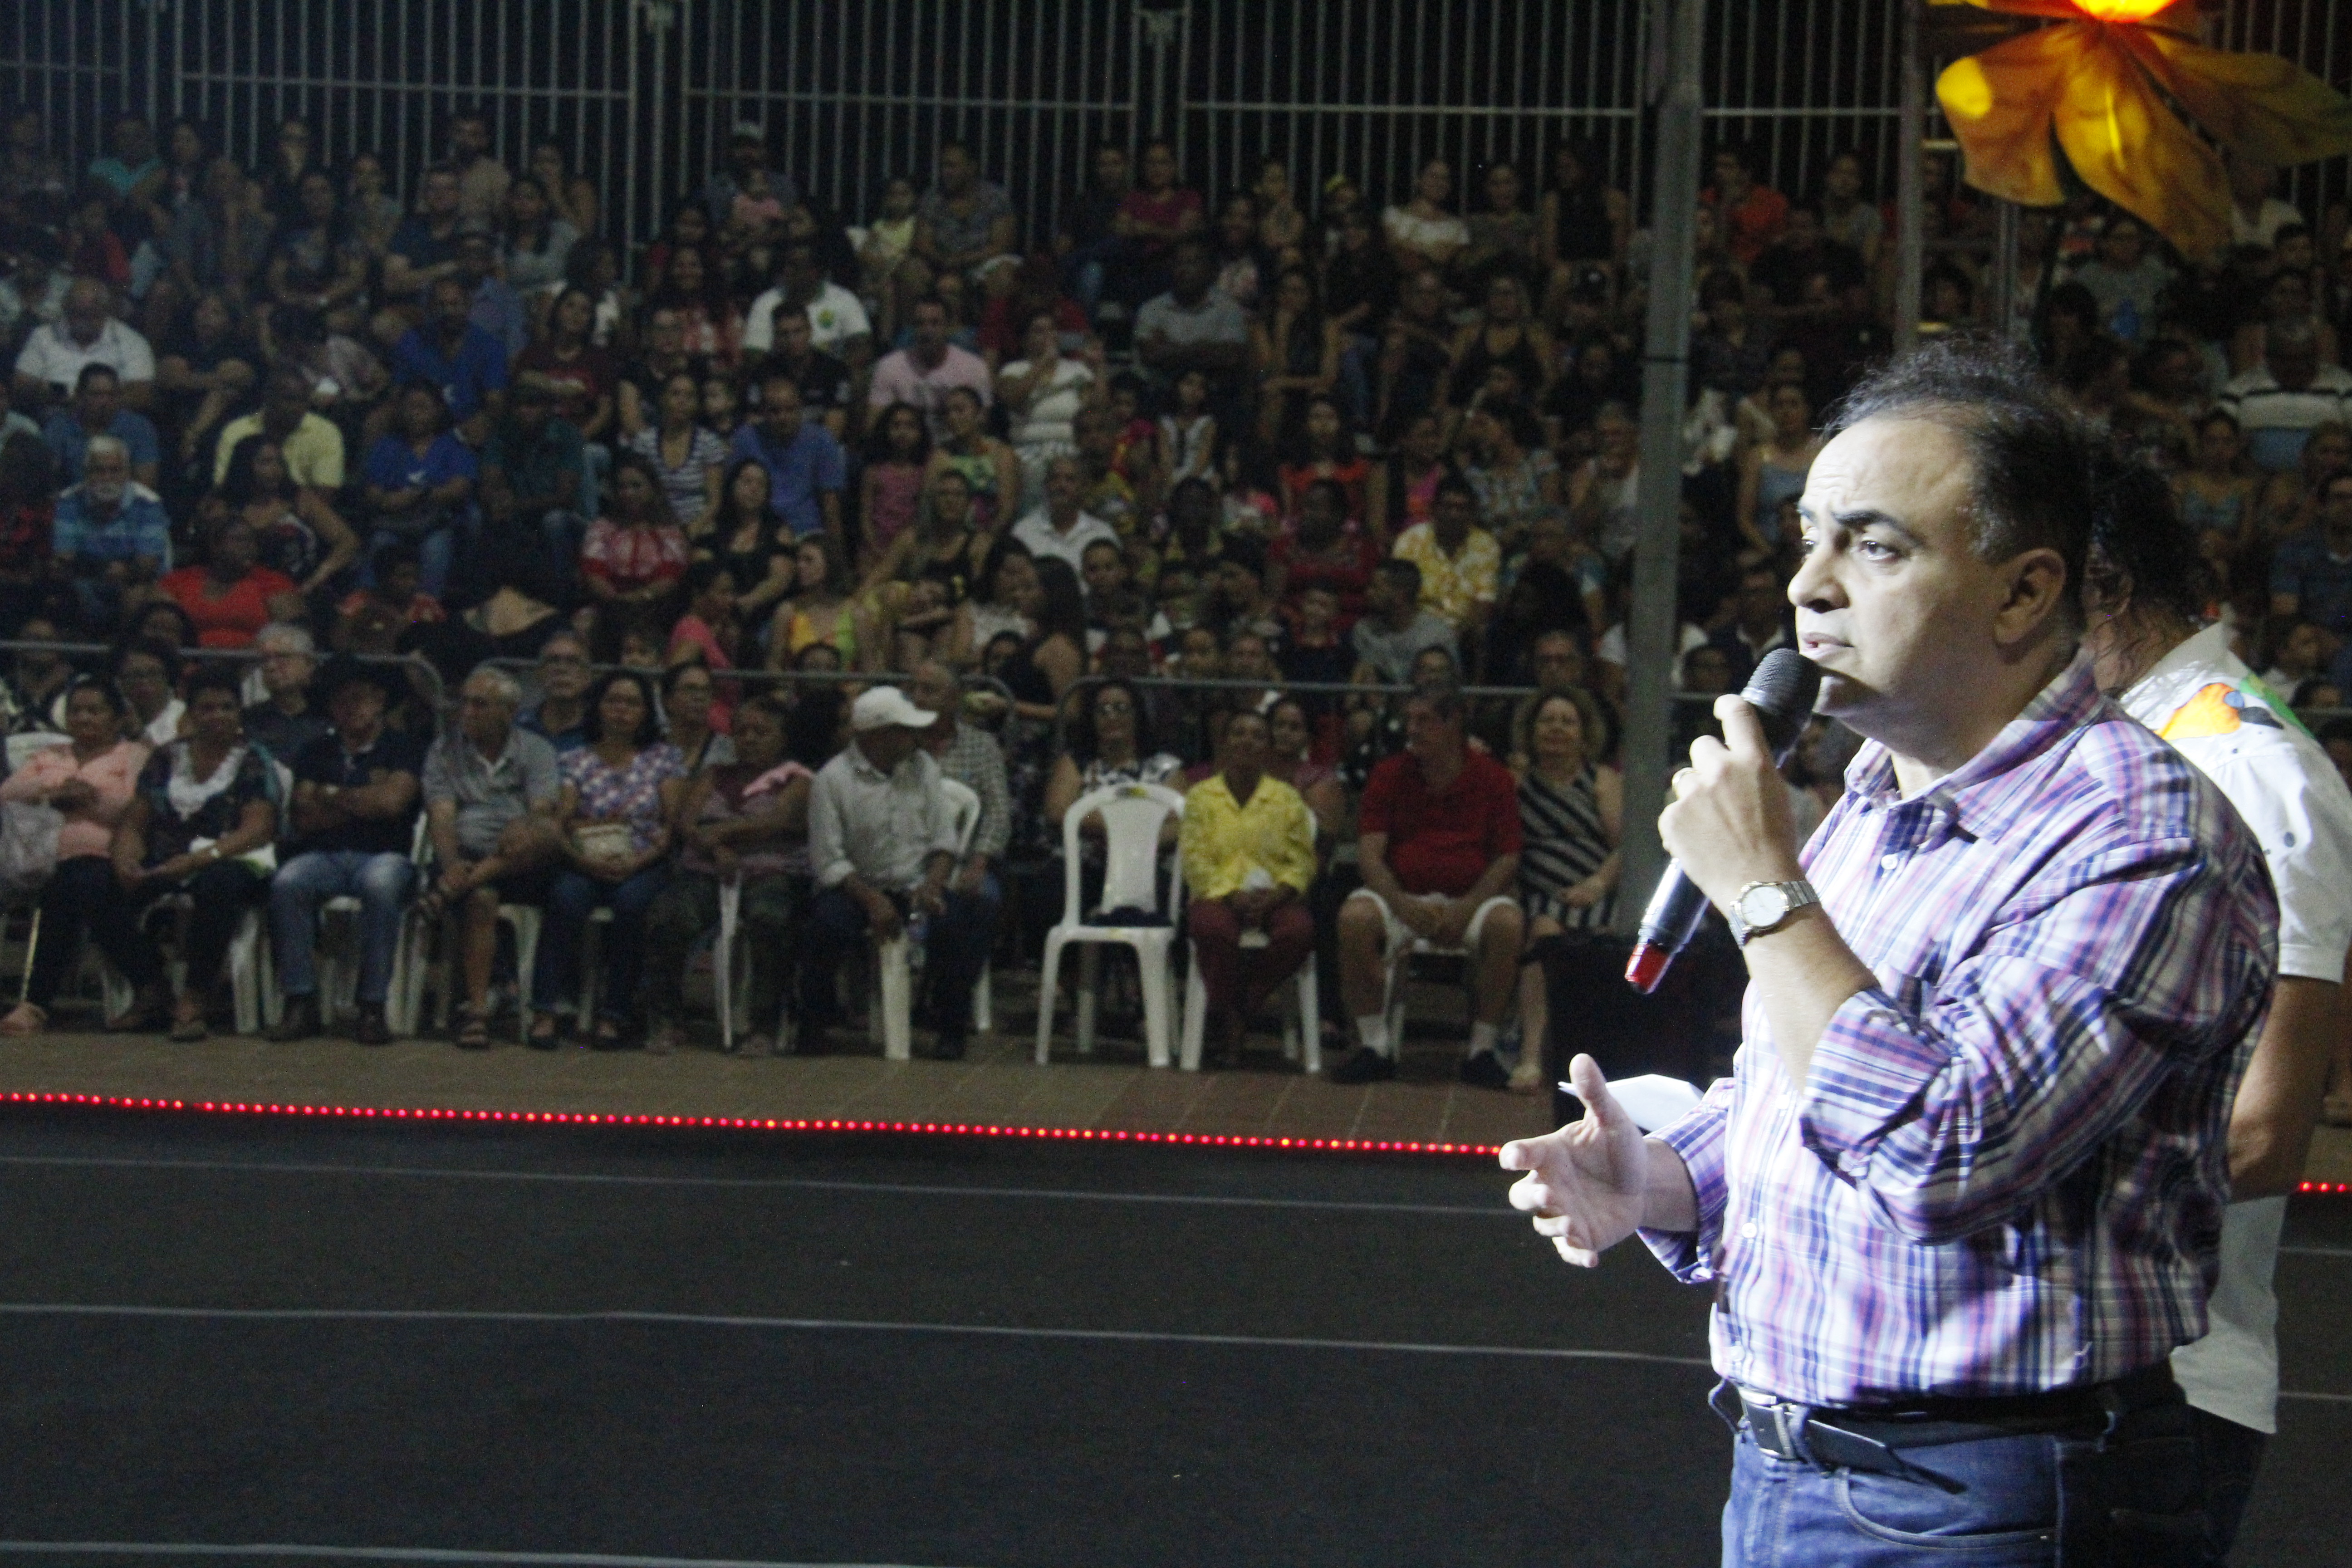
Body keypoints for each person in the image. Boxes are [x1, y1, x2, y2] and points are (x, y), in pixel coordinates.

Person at [1499, 339, 2277, 1564]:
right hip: (1792, 1469)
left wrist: (1763, 891)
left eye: (1872, 547)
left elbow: (1941, 1154)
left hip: (1992, 1498)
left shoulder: (2145, 836)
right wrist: (1660, 1177)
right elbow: (1810, 1089)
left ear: (2024, 593)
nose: (1807, 586)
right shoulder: (1870, 799)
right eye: (1808, 537)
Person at [2080, 456, 2352, 1560]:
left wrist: (1977, 1178)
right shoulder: (2114, 748)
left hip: (2156, 1384)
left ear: (2098, 586)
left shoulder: (2242, 764)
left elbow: (2260, 1134)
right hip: (2056, 1368)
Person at [1331, 677, 1524, 1087]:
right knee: (1354, 917)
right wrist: (1401, 904)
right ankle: (1374, 1046)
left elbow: (1507, 857)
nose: (1412, 730)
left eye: (1423, 721)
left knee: (1508, 924)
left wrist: (1467, 907)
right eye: (1409, 720)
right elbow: (1370, 854)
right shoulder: (1389, 774)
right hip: (1402, 896)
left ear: (1453, 723)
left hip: (1470, 899)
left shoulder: (1493, 779)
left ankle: (1482, 1050)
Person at [101, 666, 283, 1041]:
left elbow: (258, 828)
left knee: (219, 884)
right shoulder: (166, 757)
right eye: (207, 708)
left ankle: (196, 997)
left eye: (227, 708)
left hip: (228, 858)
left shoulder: (253, 759)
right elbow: (136, 821)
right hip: (167, 859)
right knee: (94, 884)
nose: (218, 716)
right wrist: (125, 859)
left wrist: (199, 859)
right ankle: (151, 988)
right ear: (191, 713)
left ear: (239, 712)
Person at [799, 686, 967, 1057]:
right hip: (856, 888)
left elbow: (944, 840)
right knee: (826, 926)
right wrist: (872, 900)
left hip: (915, 884)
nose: (915, 737)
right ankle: (813, 1024)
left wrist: (933, 885)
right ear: (877, 735)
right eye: (905, 730)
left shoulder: (923, 768)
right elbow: (829, 861)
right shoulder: (832, 780)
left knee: (957, 923)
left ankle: (951, 1029)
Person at [265, 660, 425, 1044]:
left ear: (380, 701)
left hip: (386, 854)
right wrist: (365, 801)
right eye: (341, 701)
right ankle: (300, 1000)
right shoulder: (316, 750)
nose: (351, 708)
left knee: (380, 886)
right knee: (287, 883)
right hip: (323, 854)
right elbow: (303, 817)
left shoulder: (404, 748)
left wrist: (329, 794)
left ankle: (372, 1006)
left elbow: (392, 804)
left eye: (360, 698)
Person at [639, 691, 808, 1056]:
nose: (748, 739)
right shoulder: (714, 774)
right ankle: (666, 1020)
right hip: (708, 870)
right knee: (669, 915)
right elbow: (686, 823)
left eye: (760, 732)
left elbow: (778, 821)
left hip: (770, 872)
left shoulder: (798, 779)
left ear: (783, 738)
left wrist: (721, 833)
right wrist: (716, 849)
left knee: (770, 920)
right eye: (741, 731)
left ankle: (764, 1026)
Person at [530, 670, 685, 1048]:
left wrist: (638, 862)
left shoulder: (665, 759)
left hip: (644, 860)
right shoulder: (574, 760)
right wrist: (583, 860)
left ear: (646, 712)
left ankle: (615, 1014)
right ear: (598, 707)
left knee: (632, 905)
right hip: (585, 859)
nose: (621, 710)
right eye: (613, 701)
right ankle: (546, 1011)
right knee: (565, 898)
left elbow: (671, 826)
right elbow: (561, 822)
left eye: (632, 703)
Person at [416, 665, 564, 1047]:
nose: (467, 712)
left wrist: (523, 825)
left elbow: (543, 810)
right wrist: (451, 865)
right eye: (464, 703)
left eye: (480, 704)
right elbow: (442, 815)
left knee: (546, 834)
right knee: (480, 899)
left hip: (522, 860)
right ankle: (477, 1012)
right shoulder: (444, 750)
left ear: (509, 711)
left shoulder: (536, 750)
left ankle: (455, 888)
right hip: (465, 855)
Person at [0, 678, 152, 1035]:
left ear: (117, 718)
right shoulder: (51, 755)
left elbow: (136, 806)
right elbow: (7, 793)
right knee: (74, 883)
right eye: (76, 711)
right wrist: (54, 790)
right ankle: (150, 982)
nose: (84, 718)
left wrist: (90, 796)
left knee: (76, 884)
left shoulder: (133, 756)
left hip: (107, 857)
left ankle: (35, 1003)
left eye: (94, 711)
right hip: (35, 860)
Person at [1180, 707, 1318, 1065]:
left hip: (1274, 897)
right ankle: (1231, 1015)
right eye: (1239, 733)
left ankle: (1238, 1008)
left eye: (1258, 736)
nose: (1247, 741)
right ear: (1225, 743)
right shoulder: (1201, 797)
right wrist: (1231, 895)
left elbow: (1302, 860)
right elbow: (1194, 859)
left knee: (1299, 932)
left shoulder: (1286, 798)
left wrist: (1277, 896)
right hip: (1218, 895)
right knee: (1213, 931)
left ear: (1269, 747)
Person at [1509, 687, 1621, 1091]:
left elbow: (1626, 847)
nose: (1556, 729)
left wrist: (1596, 884)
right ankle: (1530, 1057)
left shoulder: (1601, 780)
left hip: (1597, 891)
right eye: (1547, 721)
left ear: (1583, 732)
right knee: (1544, 933)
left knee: (1601, 939)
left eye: (1567, 722)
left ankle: (1595, 1058)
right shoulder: (1517, 782)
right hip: (1540, 895)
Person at [906, 660, 1009, 1054]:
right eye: (914, 689)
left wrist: (980, 860)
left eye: (929, 691)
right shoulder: (899, 745)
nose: (918, 698)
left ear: (954, 699)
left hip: (965, 861)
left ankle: (951, 1010)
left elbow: (997, 811)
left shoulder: (981, 746)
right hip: (904, 862)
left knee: (981, 900)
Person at [361, 382, 477, 601]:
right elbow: (373, 493)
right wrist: (392, 501)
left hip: (436, 524)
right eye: (410, 407)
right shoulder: (387, 446)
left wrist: (418, 495)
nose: (415, 414)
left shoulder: (451, 445)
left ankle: (424, 611)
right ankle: (368, 607)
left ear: (438, 411)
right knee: (380, 544)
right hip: (395, 523)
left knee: (435, 549)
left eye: (423, 407)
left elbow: (459, 488)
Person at [211, 434, 361, 596]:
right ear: (244, 466)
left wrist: (314, 581)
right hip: (244, 590)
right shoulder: (226, 506)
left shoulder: (299, 499)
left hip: (300, 588)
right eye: (266, 462)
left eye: (279, 462)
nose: (275, 469)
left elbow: (348, 541)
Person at [52, 436, 170, 632]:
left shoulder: (148, 504)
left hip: (134, 583)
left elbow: (148, 564)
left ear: (127, 474)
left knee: (138, 596)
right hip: (85, 583)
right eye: (99, 471)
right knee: (65, 594)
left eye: (115, 471)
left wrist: (125, 572)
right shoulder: (69, 501)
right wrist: (104, 570)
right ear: (86, 473)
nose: (107, 478)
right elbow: (64, 558)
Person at [390, 275, 510, 445]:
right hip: (421, 424)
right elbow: (398, 393)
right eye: (441, 305)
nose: (449, 312)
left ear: (468, 306)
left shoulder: (489, 346)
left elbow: (495, 400)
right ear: (431, 309)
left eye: (455, 304)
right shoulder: (412, 342)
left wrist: (482, 420)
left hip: (469, 424)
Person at [730, 373, 846, 544]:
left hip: (807, 531)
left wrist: (835, 549)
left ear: (801, 407)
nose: (783, 417)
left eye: (790, 410)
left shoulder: (821, 440)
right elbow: (732, 492)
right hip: (758, 531)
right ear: (763, 411)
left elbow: (830, 503)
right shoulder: (745, 439)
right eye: (775, 411)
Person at [159, 516, 304, 651]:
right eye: (240, 540)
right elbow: (160, 628)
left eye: (252, 541)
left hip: (254, 663)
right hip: (188, 661)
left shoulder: (273, 582)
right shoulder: (179, 581)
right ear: (215, 545)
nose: (249, 547)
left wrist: (239, 652)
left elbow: (294, 634)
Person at [14, 278, 155, 413]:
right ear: (65, 309)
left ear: (105, 311)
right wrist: (73, 397)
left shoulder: (131, 341)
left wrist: (96, 404)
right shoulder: (43, 336)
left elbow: (142, 393)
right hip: (54, 414)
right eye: (76, 313)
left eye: (91, 313)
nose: (83, 320)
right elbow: (22, 383)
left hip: (112, 417)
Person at [1390, 476, 1500, 640]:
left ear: (1472, 513)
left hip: (1464, 633)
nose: (1454, 515)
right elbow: (1400, 597)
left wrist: (1453, 637)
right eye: (1447, 507)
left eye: (1462, 508)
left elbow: (1484, 602)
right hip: (1416, 631)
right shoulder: (1410, 540)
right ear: (1433, 508)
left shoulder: (1486, 545)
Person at [580, 452, 691, 615]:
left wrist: (637, 599)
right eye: (622, 487)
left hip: (656, 608)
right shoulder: (602, 528)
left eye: (636, 486)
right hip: (608, 606)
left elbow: (669, 578)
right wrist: (617, 602)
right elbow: (594, 573)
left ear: (653, 488)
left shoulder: (669, 532)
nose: (628, 494)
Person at [867, 295, 991, 440]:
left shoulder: (974, 368)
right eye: (920, 324)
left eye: (935, 323)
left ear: (949, 327)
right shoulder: (890, 367)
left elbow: (982, 425)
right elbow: (875, 424)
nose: (927, 330)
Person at [43, 364, 160, 490]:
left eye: (111, 395)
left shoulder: (138, 427)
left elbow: (145, 483)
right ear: (79, 395)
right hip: (72, 499)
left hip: (125, 499)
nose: (104, 402)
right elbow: (48, 478)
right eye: (96, 395)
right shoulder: (59, 427)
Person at [1349, 558, 1458, 687]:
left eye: (1375, 588)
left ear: (1400, 595)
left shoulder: (1437, 635)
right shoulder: (1365, 631)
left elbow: (1451, 685)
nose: (1368, 593)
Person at [1012, 453, 1119, 577]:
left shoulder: (1102, 533)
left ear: (1083, 487)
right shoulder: (1023, 532)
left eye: (1070, 480)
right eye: (1055, 479)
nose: (1061, 486)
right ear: (1046, 485)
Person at [243, 622, 329, 761]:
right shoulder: (250, 720)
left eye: (282, 657)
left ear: (309, 664)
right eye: (265, 660)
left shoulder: (329, 718)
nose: (271, 666)